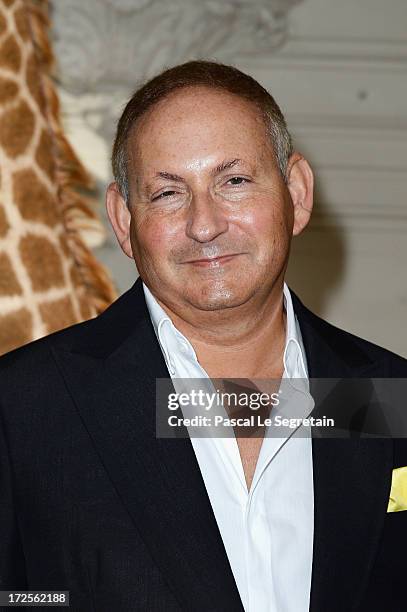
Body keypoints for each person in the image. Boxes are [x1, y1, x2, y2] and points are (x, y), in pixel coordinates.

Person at [0, 60, 406, 612]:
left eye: (233, 181)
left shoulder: (391, 395)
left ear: (297, 193)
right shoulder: (23, 404)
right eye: (168, 193)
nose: (205, 224)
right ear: (123, 219)